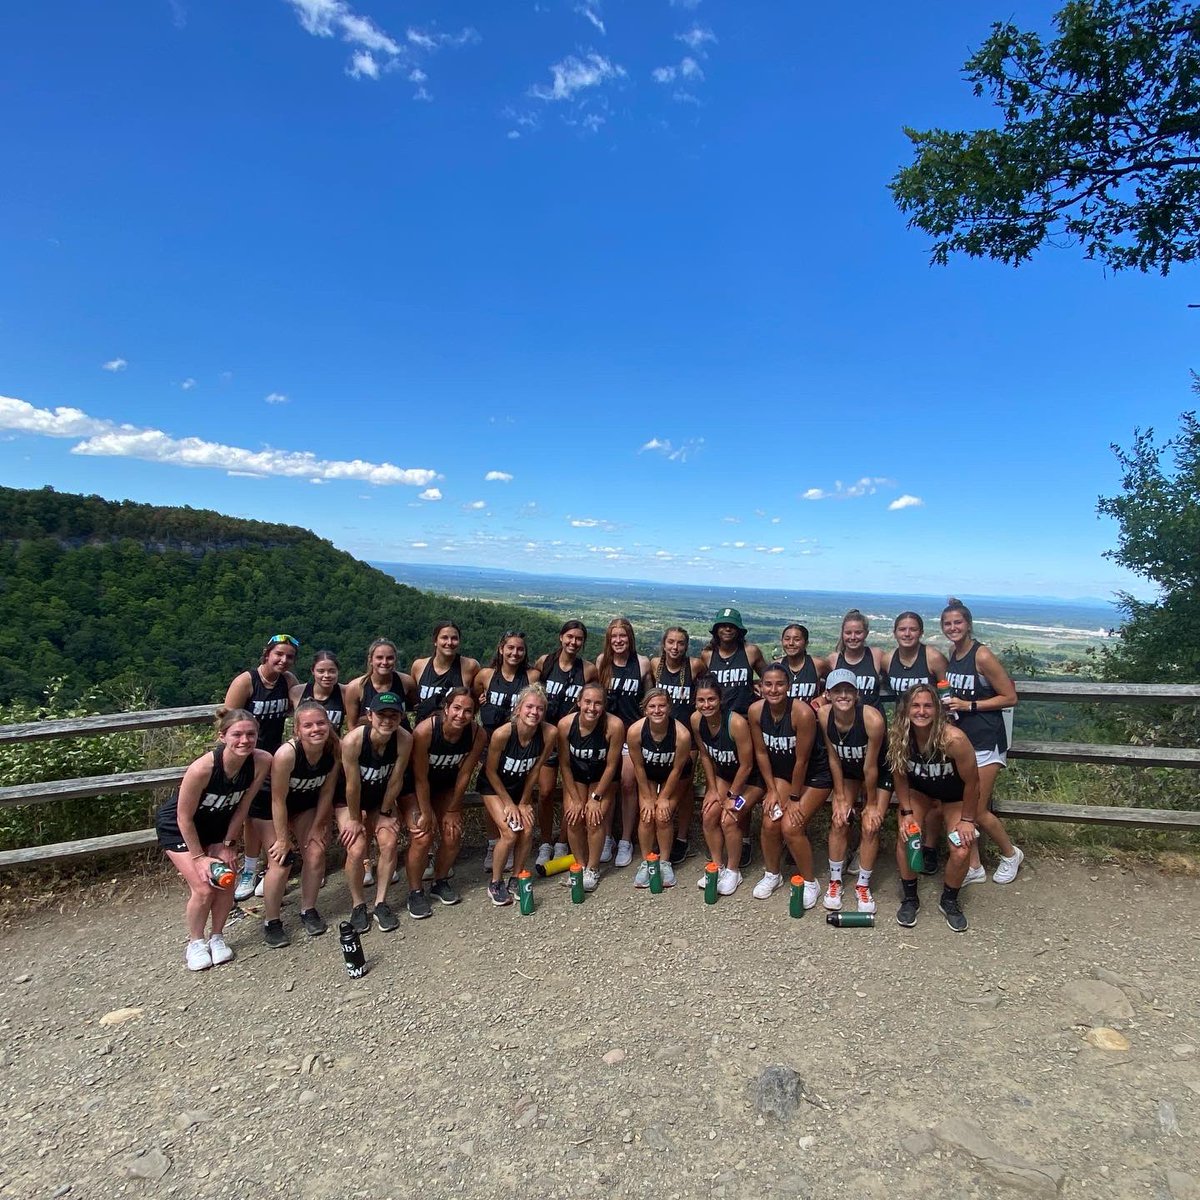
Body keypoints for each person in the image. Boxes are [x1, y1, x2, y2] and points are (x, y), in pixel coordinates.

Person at [156, 707, 272, 970]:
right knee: (204, 887)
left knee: (226, 880)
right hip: (180, 828)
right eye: (237, 734)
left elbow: (243, 806)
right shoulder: (203, 769)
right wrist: (199, 858)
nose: (244, 740)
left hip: (218, 826)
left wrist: (227, 843)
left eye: (251, 734)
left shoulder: (262, 761)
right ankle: (195, 942)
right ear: (222, 736)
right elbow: (183, 817)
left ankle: (217, 937)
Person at [941, 598, 1024, 885]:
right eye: (948, 623)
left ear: (968, 624)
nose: (953, 628)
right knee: (963, 807)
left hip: (987, 740)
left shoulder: (982, 655)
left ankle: (1011, 854)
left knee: (976, 809)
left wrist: (969, 706)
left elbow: (1010, 697)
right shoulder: (953, 652)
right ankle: (973, 866)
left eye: (958, 622)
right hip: (963, 741)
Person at [888, 684, 981, 932]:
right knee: (907, 836)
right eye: (915, 706)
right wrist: (907, 812)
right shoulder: (899, 735)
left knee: (961, 848)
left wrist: (967, 820)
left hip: (954, 797)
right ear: (906, 709)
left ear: (937, 709)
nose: (921, 711)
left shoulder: (954, 740)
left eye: (928, 705)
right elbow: (899, 776)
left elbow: (973, 782)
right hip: (920, 792)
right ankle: (910, 898)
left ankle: (949, 900)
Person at [251, 700, 340, 947]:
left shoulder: (334, 749)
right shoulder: (287, 754)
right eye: (308, 725)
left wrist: (319, 825)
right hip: (268, 807)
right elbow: (277, 799)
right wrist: (283, 839)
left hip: (304, 804)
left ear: (329, 724)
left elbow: (327, 791)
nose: (316, 729)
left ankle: (308, 909)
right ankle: (271, 921)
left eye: (321, 723)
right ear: (297, 730)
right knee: (281, 861)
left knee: (316, 851)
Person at [225, 633, 301, 901]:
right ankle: (250, 869)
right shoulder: (247, 681)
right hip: (247, 757)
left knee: (268, 811)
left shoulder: (288, 681)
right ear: (267, 654)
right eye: (278, 654)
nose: (283, 660)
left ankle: (270, 867)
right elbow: (227, 719)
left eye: (289, 656)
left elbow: (302, 707)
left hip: (274, 758)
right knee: (251, 814)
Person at [407, 687, 487, 915]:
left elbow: (465, 773)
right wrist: (426, 812)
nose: (461, 715)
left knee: (453, 833)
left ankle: (439, 881)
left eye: (468, 711)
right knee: (423, 835)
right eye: (457, 708)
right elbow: (420, 777)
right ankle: (415, 891)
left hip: (446, 785)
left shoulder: (477, 734)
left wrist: (453, 809)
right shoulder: (425, 731)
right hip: (415, 786)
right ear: (446, 708)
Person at [336, 691, 411, 932]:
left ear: (400, 717)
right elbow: (352, 785)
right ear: (370, 715)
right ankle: (358, 904)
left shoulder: (404, 739)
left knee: (389, 842)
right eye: (381, 715)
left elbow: (396, 779)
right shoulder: (353, 741)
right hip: (350, 801)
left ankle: (380, 902)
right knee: (356, 848)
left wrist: (386, 812)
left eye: (393, 715)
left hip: (380, 798)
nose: (387, 720)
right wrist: (355, 819)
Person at [818, 668, 890, 915]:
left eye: (849, 690)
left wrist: (871, 804)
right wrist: (839, 797)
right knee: (839, 820)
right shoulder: (824, 715)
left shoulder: (872, 719)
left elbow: (871, 768)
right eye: (837, 690)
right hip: (848, 770)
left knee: (871, 824)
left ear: (857, 694)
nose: (843, 695)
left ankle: (863, 885)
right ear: (828, 694)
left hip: (877, 772)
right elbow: (833, 757)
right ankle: (835, 881)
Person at [884, 612, 949, 873]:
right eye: (902, 629)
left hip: (932, 732)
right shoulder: (888, 659)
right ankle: (912, 844)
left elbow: (947, 693)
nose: (907, 634)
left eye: (912, 629)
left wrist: (945, 728)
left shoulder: (932, 657)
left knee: (935, 793)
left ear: (921, 632)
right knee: (910, 789)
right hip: (904, 733)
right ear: (895, 632)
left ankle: (930, 847)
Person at [479, 684, 555, 905]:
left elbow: (536, 769)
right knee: (510, 832)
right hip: (494, 786)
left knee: (528, 828)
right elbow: (490, 771)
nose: (534, 712)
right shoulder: (503, 734)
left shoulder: (549, 733)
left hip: (520, 786)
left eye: (539, 708)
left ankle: (516, 877)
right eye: (529, 707)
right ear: (518, 708)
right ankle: (495, 882)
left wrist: (523, 802)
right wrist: (509, 804)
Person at [747, 663, 818, 901]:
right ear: (760, 687)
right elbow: (761, 753)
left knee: (791, 826)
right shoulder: (756, 711)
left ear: (789, 686)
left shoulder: (802, 713)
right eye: (768, 684)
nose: (774, 689)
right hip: (782, 774)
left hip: (813, 775)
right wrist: (772, 790)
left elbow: (802, 760)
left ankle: (810, 882)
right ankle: (772, 874)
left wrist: (794, 798)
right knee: (770, 822)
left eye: (780, 684)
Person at [532, 620, 598, 872]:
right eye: (569, 637)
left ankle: (562, 841)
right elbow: (532, 691)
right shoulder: (545, 663)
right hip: (547, 737)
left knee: (573, 793)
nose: (573, 642)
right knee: (546, 791)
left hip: (574, 738)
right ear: (561, 637)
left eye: (579, 639)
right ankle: (545, 841)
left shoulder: (587, 670)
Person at [691, 674, 764, 896]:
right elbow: (705, 756)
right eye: (701, 700)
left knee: (729, 818)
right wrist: (713, 789)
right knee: (708, 814)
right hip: (724, 776)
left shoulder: (736, 723)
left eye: (711, 699)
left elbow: (747, 765)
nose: (706, 705)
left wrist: (732, 796)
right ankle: (717, 866)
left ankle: (733, 870)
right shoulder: (696, 720)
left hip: (751, 780)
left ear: (720, 699)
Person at [474, 632, 545, 863]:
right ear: (501, 649)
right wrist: (482, 703)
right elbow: (473, 699)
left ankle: (513, 843)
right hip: (491, 742)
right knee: (492, 795)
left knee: (518, 789)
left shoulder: (532, 676)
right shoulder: (485, 675)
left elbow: (537, 701)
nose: (515, 653)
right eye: (510, 648)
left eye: (520, 649)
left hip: (521, 742)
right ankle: (493, 844)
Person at [556, 681, 624, 892]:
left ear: (604, 705)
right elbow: (564, 764)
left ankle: (593, 868)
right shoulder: (565, 725)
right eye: (587, 702)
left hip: (602, 776)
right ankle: (580, 865)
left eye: (597, 703)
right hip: (576, 774)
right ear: (578, 702)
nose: (592, 708)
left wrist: (596, 798)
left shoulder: (614, 726)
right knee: (573, 816)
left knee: (594, 818)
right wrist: (576, 799)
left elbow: (612, 765)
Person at [596, 618, 651, 868]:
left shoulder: (642, 663)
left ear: (630, 638)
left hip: (631, 733)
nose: (618, 641)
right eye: (614, 636)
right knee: (607, 784)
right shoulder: (602, 662)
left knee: (629, 784)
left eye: (623, 636)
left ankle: (626, 839)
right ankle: (607, 836)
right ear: (609, 640)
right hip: (606, 734)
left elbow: (648, 697)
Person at [627, 687, 694, 890]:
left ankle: (664, 862)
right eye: (652, 706)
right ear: (645, 709)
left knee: (663, 815)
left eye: (662, 706)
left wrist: (663, 797)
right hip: (649, 773)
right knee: (647, 814)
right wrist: (648, 798)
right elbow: (638, 766)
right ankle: (647, 861)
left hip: (675, 775)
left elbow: (677, 769)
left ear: (669, 707)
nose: (657, 710)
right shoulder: (635, 731)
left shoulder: (681, 734)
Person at [650, 627, 703, 865]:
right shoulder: (655, 665)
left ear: (686, 646)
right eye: (671, 642)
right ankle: (661, 834)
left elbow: (709, 684)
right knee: (661, 784)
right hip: (661, 736)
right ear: (663, 644)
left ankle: (681, 837)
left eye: (680, 643)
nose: (675, 647)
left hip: (687, 736)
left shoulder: (695, 665)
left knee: (684, 787)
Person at [701, 607, 767, 717]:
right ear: (716, 630)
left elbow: (768, 677)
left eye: (732, 626)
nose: (728, 629)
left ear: (739, 630)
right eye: (723, 625)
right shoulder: (708, 655)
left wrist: (755, 683)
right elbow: (702, 685)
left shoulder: (750, 652)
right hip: (718, 716)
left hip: (746, 715)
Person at [411, 621, 480, 724]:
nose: (449, 642)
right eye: (444, 638)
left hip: (457, 729)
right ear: (435, 641)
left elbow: (476, 699)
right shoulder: (419, 666)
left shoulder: (470, 666)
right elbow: (413, 700)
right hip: (423, 729)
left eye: (454, 638)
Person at [343, 638, 417, 730]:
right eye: (379, 657)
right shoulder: (356, 687)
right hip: (370, 736)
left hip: (401, 735)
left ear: (395, 660)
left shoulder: (406, 682)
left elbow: (417, 708)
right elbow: (352, 725)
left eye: (390, 658)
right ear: (370, 660)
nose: (384, 662)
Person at [830, 609, 886, 710]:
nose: (853, 637)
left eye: (858, 632)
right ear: (842, 634)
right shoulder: (834, 659)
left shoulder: (876, 655)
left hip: (874, 717)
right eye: (848, 633)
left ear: (866, 633)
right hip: (845, 718)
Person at [291, 649, 346, 733]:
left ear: (338, 671)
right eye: (321, 671)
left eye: (332, 671)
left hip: (333, 741)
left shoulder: (345, 693)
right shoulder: (297, 692)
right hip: (302, 741)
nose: (327, 675)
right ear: (313, 671)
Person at [778, 623, 826, 702]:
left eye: (797, 640)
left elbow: (834, 684)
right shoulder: (777, 666)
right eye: (787, 639)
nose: (791, 643)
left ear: (806, 643)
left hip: (810, 709)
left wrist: (823, 697)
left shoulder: (817, 664)